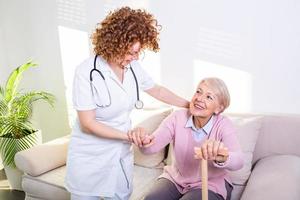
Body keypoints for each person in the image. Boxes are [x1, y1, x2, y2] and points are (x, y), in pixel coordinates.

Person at [65, 6, 189, 200]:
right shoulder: (86, 72)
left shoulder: (133, 67)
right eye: (132, 52)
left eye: (138, 52)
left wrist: (189, 104)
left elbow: (156, 90)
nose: (136, 57)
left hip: (119, 153)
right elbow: (88, 124)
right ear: (115, 44)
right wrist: (128, 136)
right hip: (90, 156)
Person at [129, 77, 244, 200]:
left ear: (219, 108)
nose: (199, 98)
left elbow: (239, 161)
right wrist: (143, 140)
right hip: (176, 179)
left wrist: (221, 156)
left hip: (211, 184)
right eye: (198, 92)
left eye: (209, 97)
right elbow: (150, 148)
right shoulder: (177, 117)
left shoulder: (223, 124)